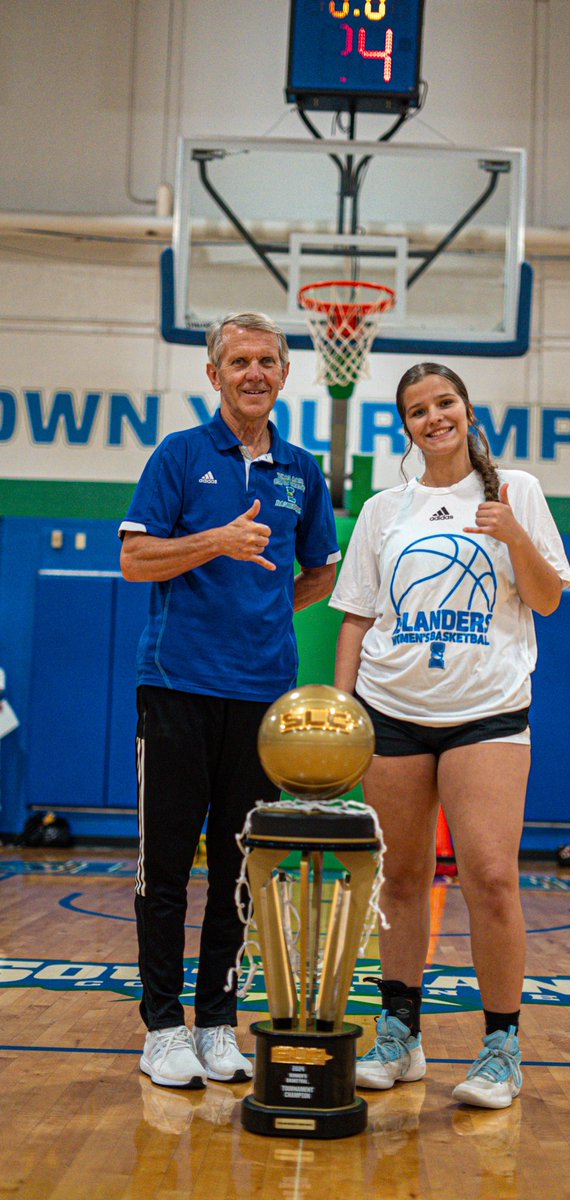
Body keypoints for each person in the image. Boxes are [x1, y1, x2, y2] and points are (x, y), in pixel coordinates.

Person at [330, 362, 570, 1109]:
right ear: (403, 426)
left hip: (487, 712)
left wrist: (514, 538)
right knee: (400, 883)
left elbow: (548, 599)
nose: (433, 417)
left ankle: (500, 1048)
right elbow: (359, 617)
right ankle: (398, 1034)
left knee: (490, 880)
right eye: (417, 410)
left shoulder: (514, 491)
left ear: (467, 411)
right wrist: (342, 714)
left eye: (444, 403)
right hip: (391, 710)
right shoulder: (382, 509)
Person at [119, 312, 340, 1090]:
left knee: (242, 868)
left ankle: (216, 1021)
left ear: (285, 376)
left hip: (260, 698)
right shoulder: (179, 456)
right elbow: (135, 558)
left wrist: (270, 610)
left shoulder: (302, 471)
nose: (254, 373)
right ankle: (162, 1028)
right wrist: (215, 541)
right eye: (238, 361)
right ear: (213, 375)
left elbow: (322, 570)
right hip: (176, 687)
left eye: (267, 361)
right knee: (167, 867)